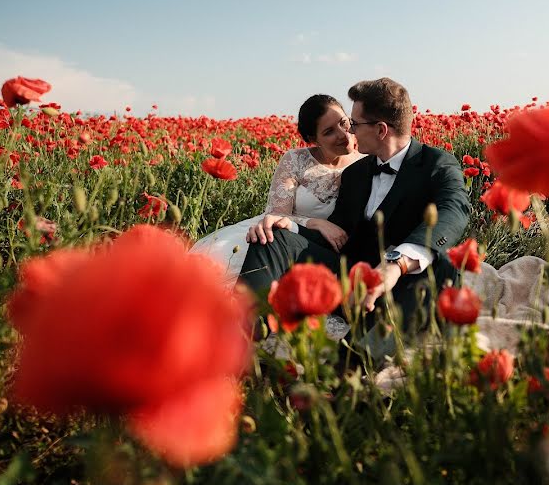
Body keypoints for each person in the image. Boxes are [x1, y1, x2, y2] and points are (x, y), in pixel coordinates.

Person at [238, 77, 470, 335]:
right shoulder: (356, 172)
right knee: (271, 237)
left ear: (381, 130)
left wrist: (396, 265)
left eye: (354, 124)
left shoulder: (437, 164)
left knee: (441, 265)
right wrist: (289, 227)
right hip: (349, 275)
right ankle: (246, 336)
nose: (350, 132)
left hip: (399, 283)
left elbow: (454, 210)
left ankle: (353, 362)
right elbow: (339, 232)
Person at [189, 94, 362, 286]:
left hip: (319, 251)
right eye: (329, 131)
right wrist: (316, 223)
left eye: (343, 123)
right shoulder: (295, 160)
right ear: (314, 139)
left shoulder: (368, 162)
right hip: (276, 236)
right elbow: (276, 215)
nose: (343, 134)